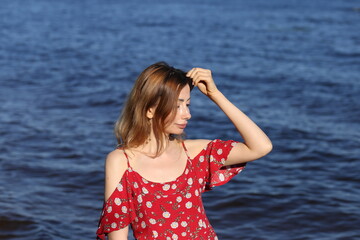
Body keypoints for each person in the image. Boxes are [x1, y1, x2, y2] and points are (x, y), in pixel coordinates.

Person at [96, 62, 272, 240]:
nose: (187, 114)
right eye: (178, 105)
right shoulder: (122, 161)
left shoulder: (192, 153)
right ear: (150, 110)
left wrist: (215, 94)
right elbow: (117, 234)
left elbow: (260, 147)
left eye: (188, 104)